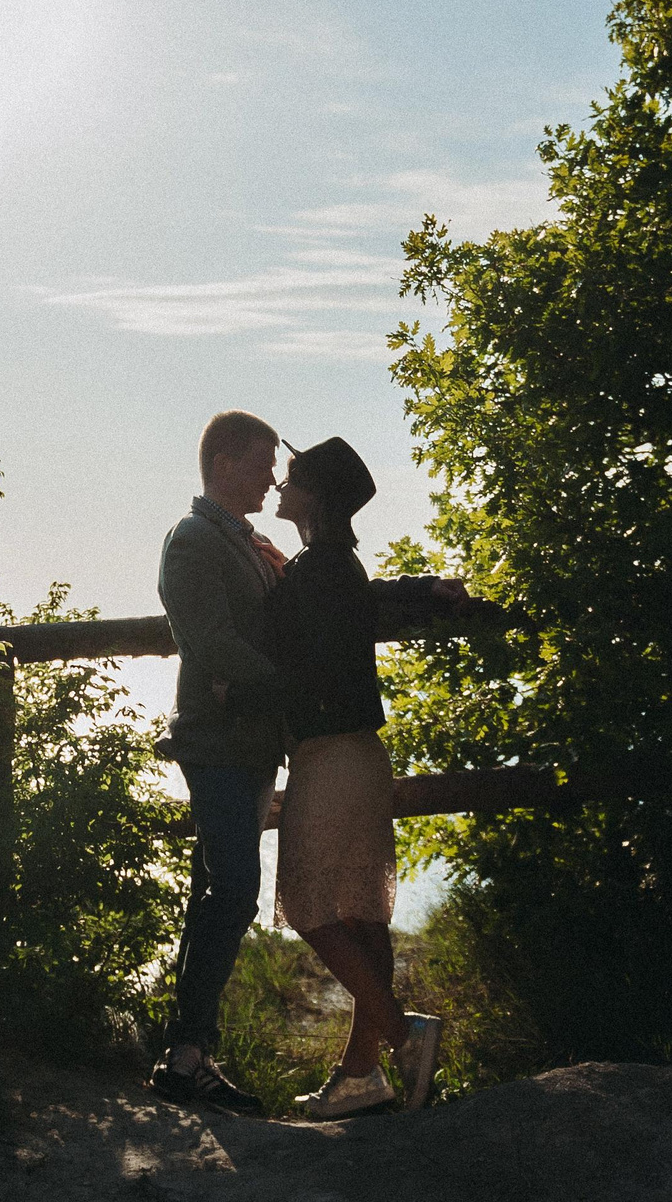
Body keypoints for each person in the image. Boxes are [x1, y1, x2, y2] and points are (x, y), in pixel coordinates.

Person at [266, 435, 443, 1119]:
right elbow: (363, 605)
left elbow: (269, 640)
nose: (280, 487)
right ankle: (362, 1074)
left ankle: (402, 1037)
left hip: (330, 755)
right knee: (363, 916)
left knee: (309, 906)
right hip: (361, 755)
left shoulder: (314, 572)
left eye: (290, 479)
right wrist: (426, 588)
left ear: (313, 496)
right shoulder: (338, 565)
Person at [145, 410, 289, 1115]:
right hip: (218, 741)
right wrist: (290, 687)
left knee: (216, 889)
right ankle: (186, 1053)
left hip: (249, 741)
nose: (272, 476)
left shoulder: (246, 540)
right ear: (226, 461)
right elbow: (209, 640)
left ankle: (185, 1055)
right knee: (233, 888)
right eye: (263, 462)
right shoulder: (194, 538)